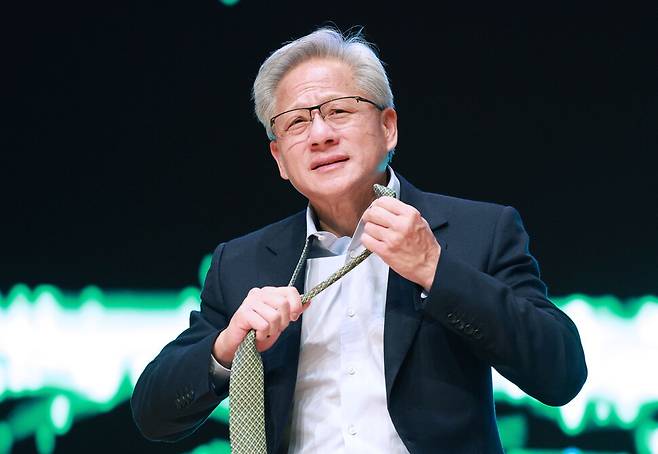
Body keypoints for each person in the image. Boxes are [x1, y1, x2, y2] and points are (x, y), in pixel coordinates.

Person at [131, 27, 587, 453]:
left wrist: (436, 270)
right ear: (279, 158)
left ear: (388, 127)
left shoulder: (478, 231)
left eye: (339, 111)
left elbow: (560, 372)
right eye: (295, 123)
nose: (320, 135)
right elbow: (152, 413)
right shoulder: (242, 262)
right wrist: (226, 348)